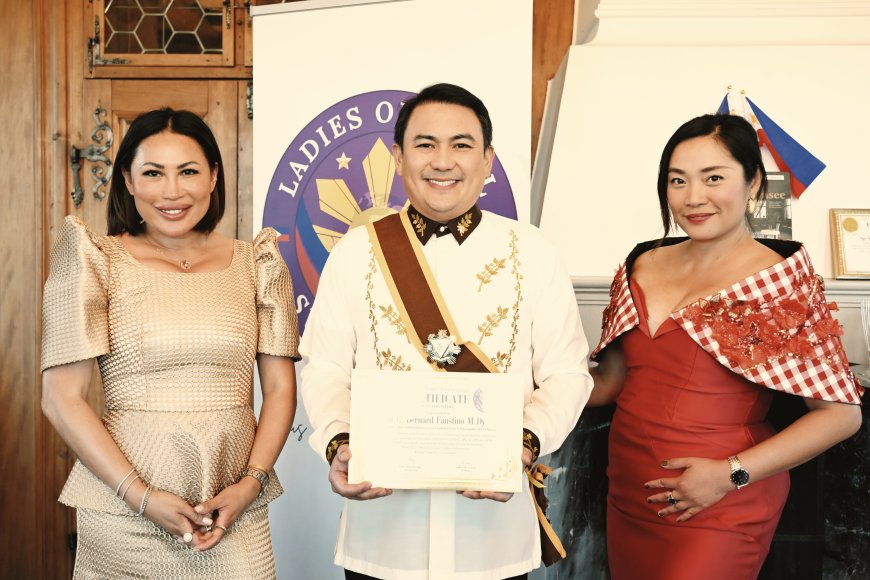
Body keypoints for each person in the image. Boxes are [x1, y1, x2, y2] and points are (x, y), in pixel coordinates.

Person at [299, 83, 593, 580]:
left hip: (493, 538)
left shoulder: (533, 252)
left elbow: (567, 374)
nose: (442, 161)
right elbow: (325, 367)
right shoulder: (356, 252)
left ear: (487, 159)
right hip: (383, 533)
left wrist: (523, 444)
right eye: (425, 144)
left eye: (461, 144)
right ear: (398, 157)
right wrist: (340, 442)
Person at [589, 113, 863, 579]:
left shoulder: (780, 280)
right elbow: (610, 383)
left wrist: (729, 474)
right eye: (678, 180)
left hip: (723, 502)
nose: (693, 197)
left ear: (753, 181)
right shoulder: (641, 263)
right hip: (630, 493)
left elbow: (841, 415)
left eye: (713, 178)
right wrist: (522, 383)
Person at [40, 108, 299, 578]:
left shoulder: (258, 263)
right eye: (153, 173)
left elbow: (280, 389)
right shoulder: (94, 259)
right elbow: (61, 398)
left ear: (214, 176)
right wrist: (140, 495)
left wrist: (251, 484)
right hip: (124, 511)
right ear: (128, 180)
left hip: (233, 508)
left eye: (189, 172)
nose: (173, 192)